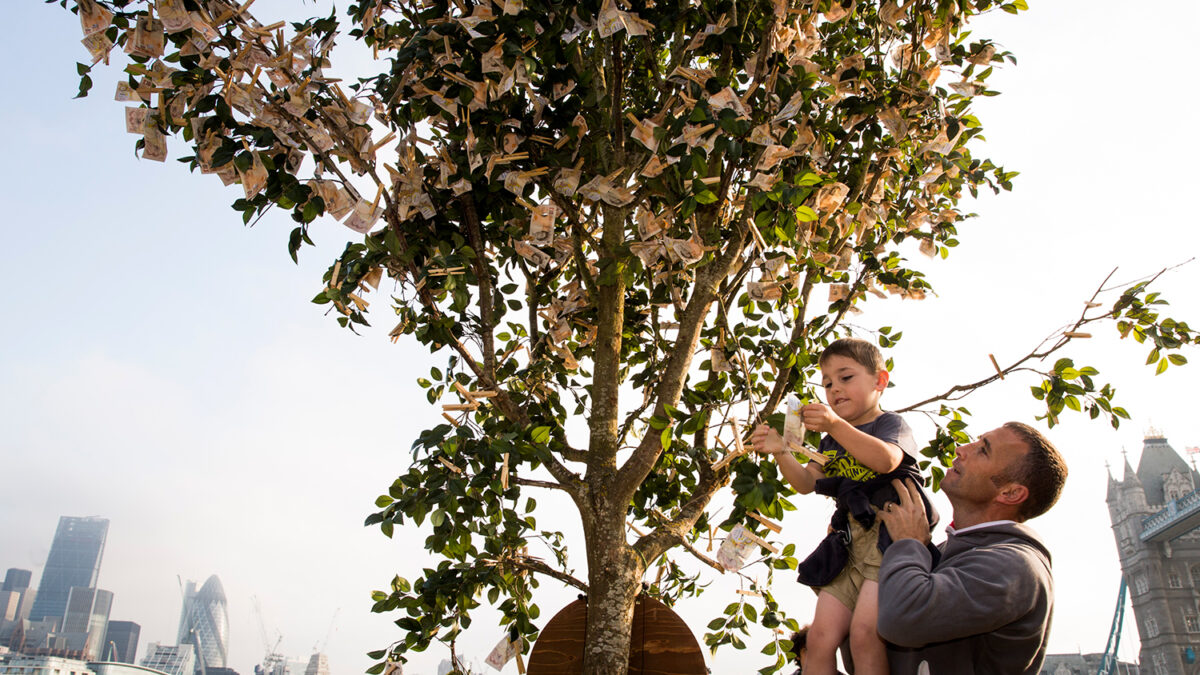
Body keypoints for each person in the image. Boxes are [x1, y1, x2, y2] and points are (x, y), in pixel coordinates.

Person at [752, 338, 934, 675]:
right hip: (849, 541)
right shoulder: (830, 440)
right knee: (819, 639)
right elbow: (806, 484)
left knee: (865, 635)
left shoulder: (889, 424)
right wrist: (781, 451)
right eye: (827, 383)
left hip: (890, 536)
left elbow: (886, 459)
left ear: (880, 380)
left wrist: (836, 423)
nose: (835, 388)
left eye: (845, 377)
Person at [876, 422, 1068, 675]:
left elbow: (900, 619)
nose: (960, 449)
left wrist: (907, 543)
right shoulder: (935, 552)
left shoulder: (1015, 566)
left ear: (1010, 493)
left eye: (983, 450)